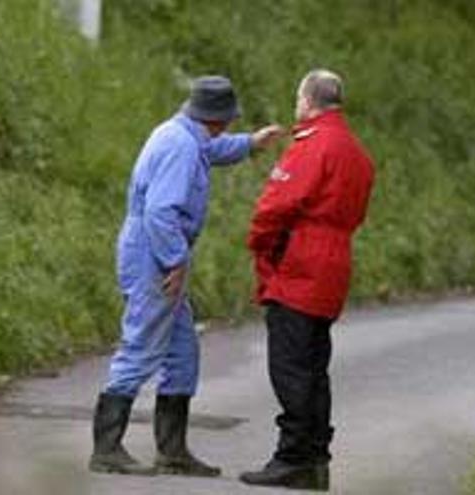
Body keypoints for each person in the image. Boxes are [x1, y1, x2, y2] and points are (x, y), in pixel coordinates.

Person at [89, 75, 284, 477]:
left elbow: (210, 151)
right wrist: (176, 262)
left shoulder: (182, 133)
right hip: (154, 252)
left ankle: (173, 452)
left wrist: (250, 144)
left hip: (153, 246)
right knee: (142, 343)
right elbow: (162, 212)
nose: (229, 126)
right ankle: (106, 449)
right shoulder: (181, 147)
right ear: (219, 118)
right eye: (230, 121)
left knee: (181, 352)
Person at [240, 69, 375, 491]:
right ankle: (316, 457)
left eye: (299, 98)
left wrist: (257, 241)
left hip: (301, 260)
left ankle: (293, 456)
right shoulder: (357, 152)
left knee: (291, 365)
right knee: (315, 365)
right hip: (335, 261)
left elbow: (279, 203)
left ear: (309, 100)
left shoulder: (313, 145)